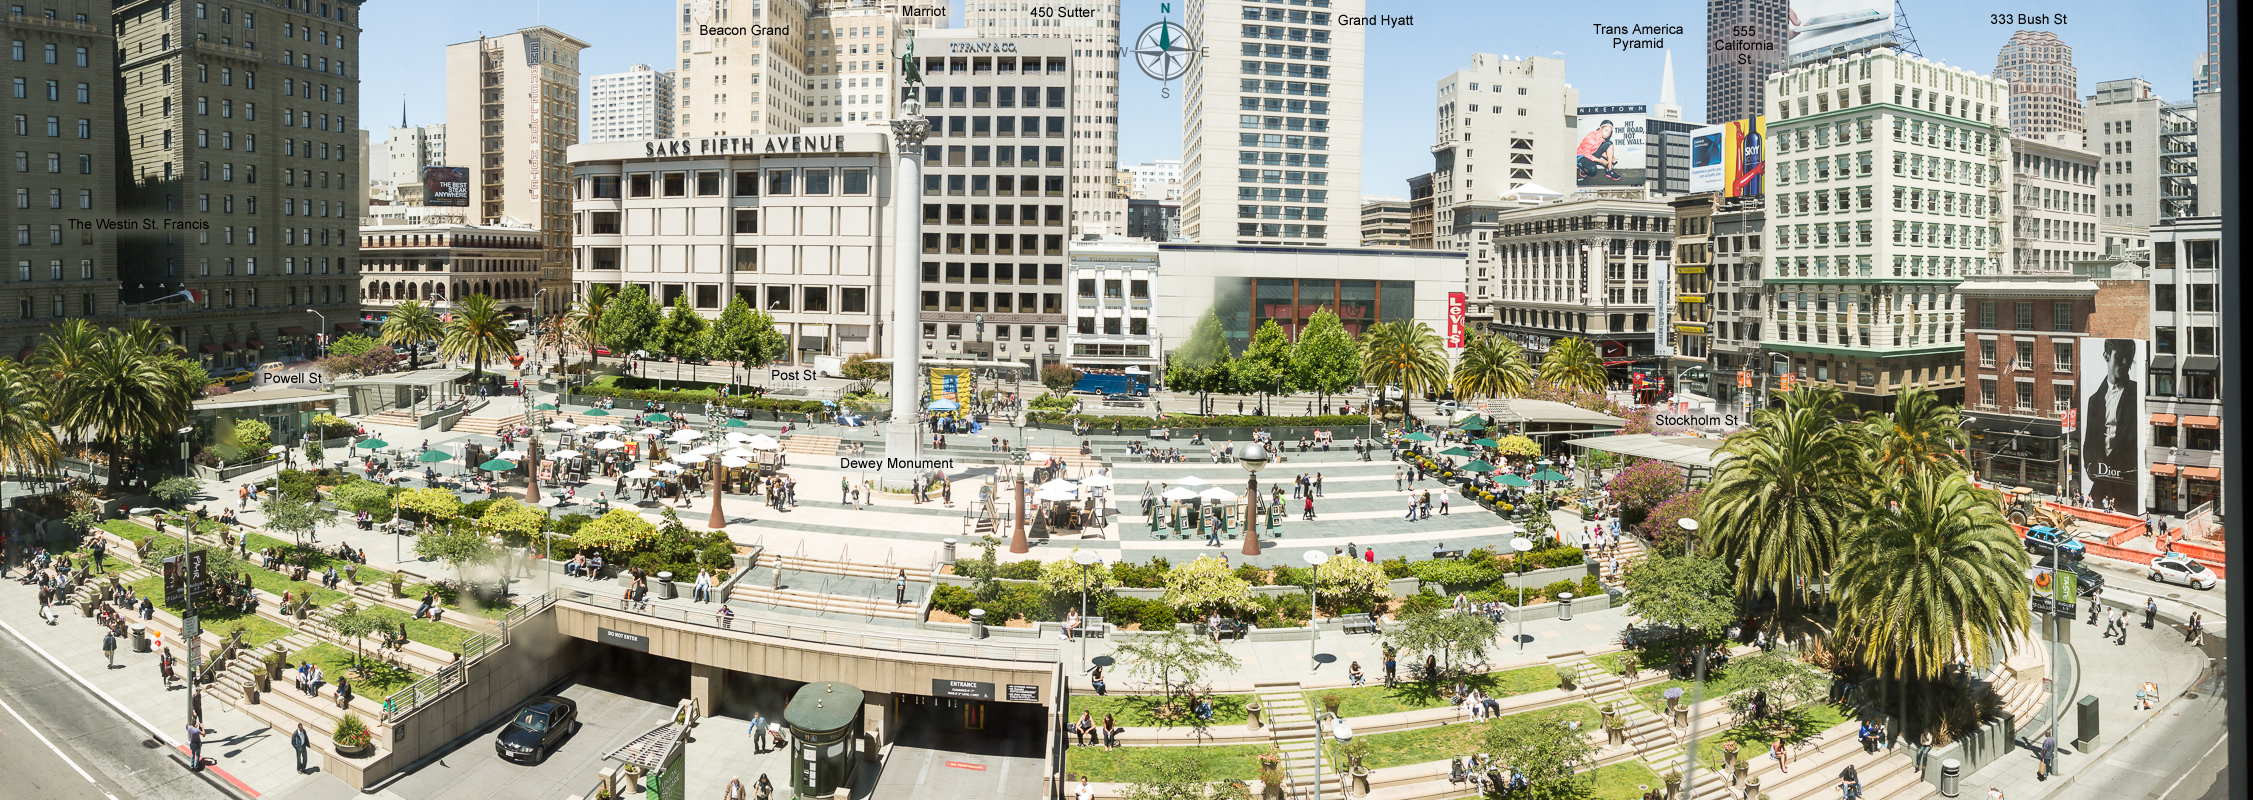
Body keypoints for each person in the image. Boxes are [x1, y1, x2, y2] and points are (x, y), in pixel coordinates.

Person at [2079, 339, 2140, 509]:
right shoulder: (2094, 400)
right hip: (2101, 481)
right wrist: (2091, 468)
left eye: (2129, 357)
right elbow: (2088, 442)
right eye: (2119, 356)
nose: (2125, 362)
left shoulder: (2137, 393)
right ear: (2106, 356)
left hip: (2128, 484)